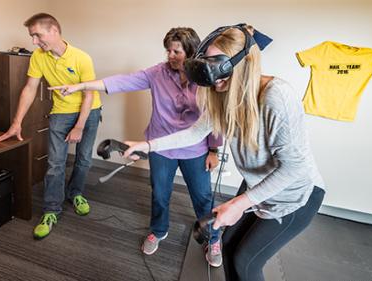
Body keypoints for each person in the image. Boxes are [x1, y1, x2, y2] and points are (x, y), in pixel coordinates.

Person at [122, 25, 326, 281]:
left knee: (246, 261)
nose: (213, 77)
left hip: (295, 196)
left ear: (243, 64)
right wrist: (148, 146)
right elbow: (195, 133)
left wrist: (240, 203)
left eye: (219, 66)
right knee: (228, 245)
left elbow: (294, 168)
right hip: (258, 183)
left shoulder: (277, 97)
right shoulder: (224, 93)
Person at [49, 27, 224, 266]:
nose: (170, 55)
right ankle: (159, 230)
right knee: (160, 194)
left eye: (176, 51)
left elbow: (215, 118)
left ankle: (213, 238)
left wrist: (214, 150)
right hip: (159, 147)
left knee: (202, 198)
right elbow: (123, 81)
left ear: (191, 51)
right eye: (168, 50)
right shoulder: (157, 73)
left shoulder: (204, 77)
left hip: (195, 149)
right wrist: (81, 86)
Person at [0, 13, 102, 240]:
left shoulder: (82, 57)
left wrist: (80, 126)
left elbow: (89, 95)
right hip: (61, 113)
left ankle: (76, 193)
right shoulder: (38, 57)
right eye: (32, 36)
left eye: (37, 35)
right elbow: (30, 89)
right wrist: (16, 122)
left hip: (89, 112)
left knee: (84, 159)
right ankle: (52, 210)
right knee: (55, 164)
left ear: (54, 31)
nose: (34, 41)